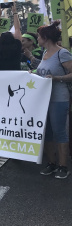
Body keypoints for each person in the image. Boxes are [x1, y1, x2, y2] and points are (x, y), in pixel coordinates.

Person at [35, 21, 72, 179]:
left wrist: (57, 78)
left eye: (38, 36)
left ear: (45, 37)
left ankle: (63, 166)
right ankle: (51, 163)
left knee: (59, 132)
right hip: (44, 99)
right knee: (47, 132)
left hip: (59, 98)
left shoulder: (62, 53)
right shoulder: (44, 53)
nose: (37, 39)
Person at [0, 5, 22, 71]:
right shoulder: (17, 45)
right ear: (13, 38)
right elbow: (17, 29)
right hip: (16, 75)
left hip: (1, 75)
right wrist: (14, 12)